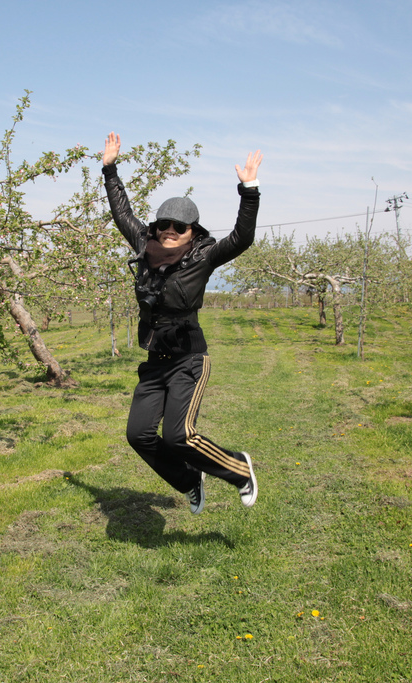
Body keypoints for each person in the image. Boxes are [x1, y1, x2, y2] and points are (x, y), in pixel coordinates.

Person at [101, 132, 262, 514]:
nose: (170, 230)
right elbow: (121, 212)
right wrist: (109, 169)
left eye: (180, 226)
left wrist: (249, 189)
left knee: (179, 436)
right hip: (155, 361)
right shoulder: (143, 245)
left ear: (193, 233)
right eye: (164, 224)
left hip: (189, 359)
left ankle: (239, 468)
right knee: (138, 435)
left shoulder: (204, 256)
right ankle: (190, 480)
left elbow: (242, 237)